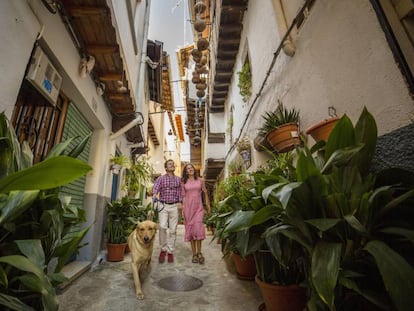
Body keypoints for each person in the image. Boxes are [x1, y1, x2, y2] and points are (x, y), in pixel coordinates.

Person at [152, 159, 182, 263]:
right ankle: (163, 249)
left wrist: (180, 202)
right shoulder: (160, 179)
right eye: (170, 164)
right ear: (166, 167)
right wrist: (155, 195)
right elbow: (155, 188)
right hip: (163, 205)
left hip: (174, 206)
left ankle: (170, 251)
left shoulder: (178, 179)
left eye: (173, 164)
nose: (172, 165)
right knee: (162, 227)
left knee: (173, 230)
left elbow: (180, 192)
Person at [181, 163, 211, 264]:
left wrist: (208, 206)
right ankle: (194, 253)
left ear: (194, 169)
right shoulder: (183, 182)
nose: (190, 169)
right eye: (188, 168)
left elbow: (205, 193)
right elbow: (184, 196)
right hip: (188, 209)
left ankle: (199, 252)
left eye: (191, 168)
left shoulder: (200, 180)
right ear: (186, 171)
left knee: (198, 229)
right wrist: (183, 210)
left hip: (198, 208)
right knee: (191, 231)